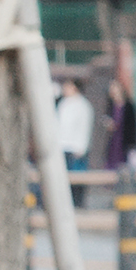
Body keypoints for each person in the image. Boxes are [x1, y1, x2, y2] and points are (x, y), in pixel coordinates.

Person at [56, 78, 95, 206]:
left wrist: (81, 146)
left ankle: (78, 203)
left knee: (77, 177)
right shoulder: (64, 103)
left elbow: (84, 127)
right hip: (63, 145)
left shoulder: (83, 105)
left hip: (75, 147)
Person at [103, 78, 136, 170]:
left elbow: (132, 126)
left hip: (124, 141)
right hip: (113, 140)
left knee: (123, 164)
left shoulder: (129, 106)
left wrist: (133, 142)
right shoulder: (110, 105)